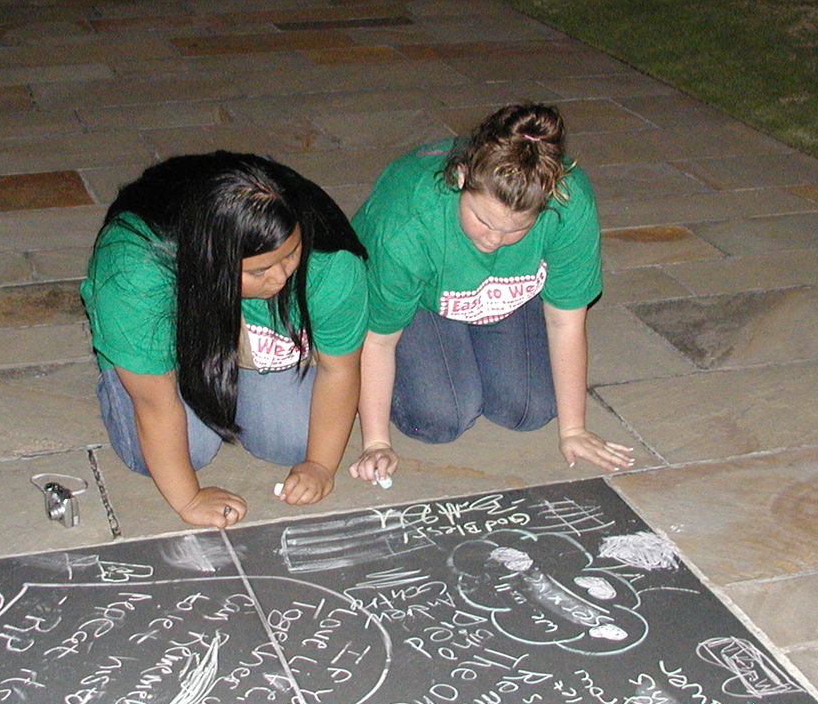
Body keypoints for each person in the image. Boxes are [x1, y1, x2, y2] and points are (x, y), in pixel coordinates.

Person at [348, 102, 633, 486]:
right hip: (419, 300)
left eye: (516, 230)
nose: (494, 239)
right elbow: (378, 342)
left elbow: (565, 319)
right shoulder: (408, 219)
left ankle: (474, 331)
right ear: (462, 177)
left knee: (530, 410)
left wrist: (574, 430)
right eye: (483, 220)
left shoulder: (568, 203)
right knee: (439, 418)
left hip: (498, 293)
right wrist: (375, 442)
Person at [81, 152, 368, 529]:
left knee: (291, 441)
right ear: (211, 261)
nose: (280, 278)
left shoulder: (330, 261)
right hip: (174, 325)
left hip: (252, 328)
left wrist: (320, 464)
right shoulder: (134, 271)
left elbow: (340, 370)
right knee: (187, 451)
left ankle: (238, 363)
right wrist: (189, 499)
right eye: (260, 270)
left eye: (291, 254)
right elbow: (154, 403)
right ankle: (132, 367)